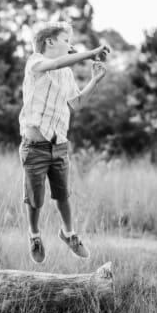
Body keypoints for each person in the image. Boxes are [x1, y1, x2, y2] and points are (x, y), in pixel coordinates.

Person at [18, 21, 109, 263]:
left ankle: (68, 234)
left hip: (59, 146)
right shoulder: (35, 62)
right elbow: (56, 62)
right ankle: (34, 235)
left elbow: (77, 103)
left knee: (63, 195)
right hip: (34, 147)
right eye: (66, 41)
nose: (70, 46)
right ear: (49, 41)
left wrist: (95, 80)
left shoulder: (66, 74)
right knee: (35, 198)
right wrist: (90, 53)